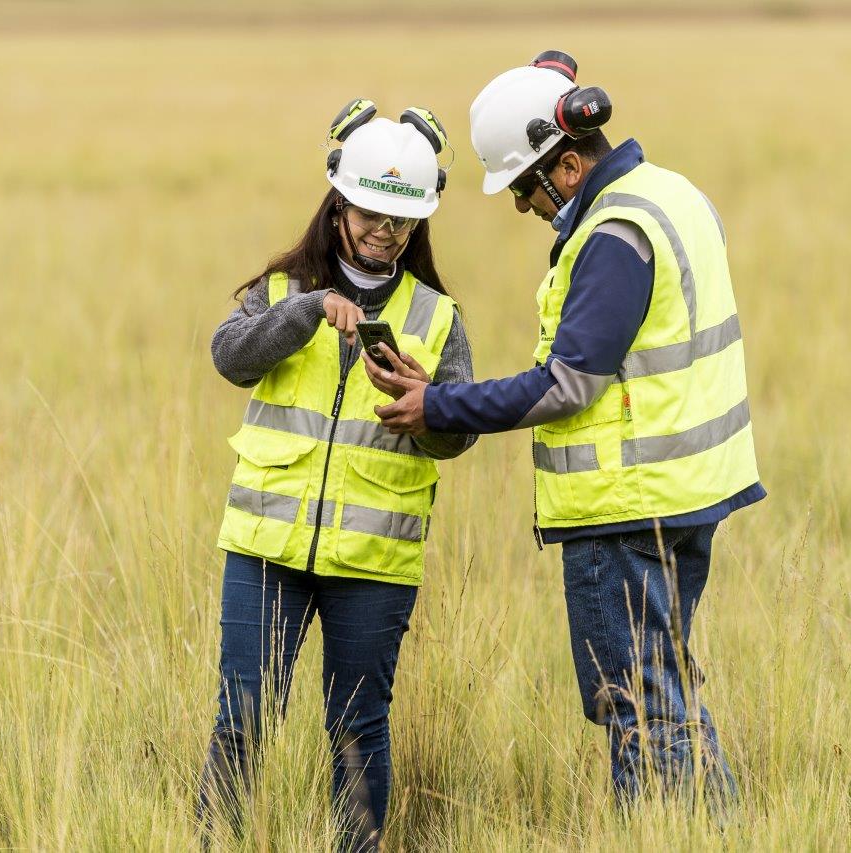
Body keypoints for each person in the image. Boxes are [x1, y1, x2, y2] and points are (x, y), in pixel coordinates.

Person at [365, 53, 765, 807]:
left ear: (571, 164)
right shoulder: (672, 194)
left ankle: (668, 831)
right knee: (665, 692)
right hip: (685, 496)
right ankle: (721, 827)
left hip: (625, 509)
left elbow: (569, 382)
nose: (525, 207)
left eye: (524, 187)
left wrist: (439, 405)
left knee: (636, 706)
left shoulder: (616, 233)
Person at [198, 100, 476, 851]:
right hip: (265, 552)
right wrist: (312, 311)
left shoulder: (439, 315)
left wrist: (430, 406)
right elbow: (229, 356)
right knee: (243, 714)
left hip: (375, 563)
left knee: (358, 728)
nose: (386, 231)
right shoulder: (287, 290)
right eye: (371, 213)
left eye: (402, 220)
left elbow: (458, 441)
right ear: (338, 202)